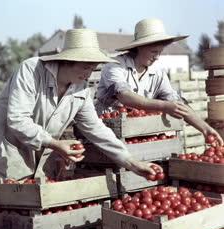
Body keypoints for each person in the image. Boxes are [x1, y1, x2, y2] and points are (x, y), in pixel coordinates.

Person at [0, 28, 162, 229]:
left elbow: (97, 129)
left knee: (19, 215)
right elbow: (17, 120)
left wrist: (132, 163)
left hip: (37, 151)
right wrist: (54, 143)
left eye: (93, 68)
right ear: (67, 60)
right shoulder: (31, 71)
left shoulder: (81, 90)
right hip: (1, 147)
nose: (89, 73)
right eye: (85, 66)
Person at [95, 18, 223, 145]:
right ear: (139, 47)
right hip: (108, 132)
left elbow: (177, 103)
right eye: (154, 51)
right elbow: (125, 96)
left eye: (160, 52)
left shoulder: (158, 73)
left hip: (138, 134)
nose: (157, 57)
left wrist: (205, 129)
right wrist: (163, 106)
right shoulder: (115, 66)